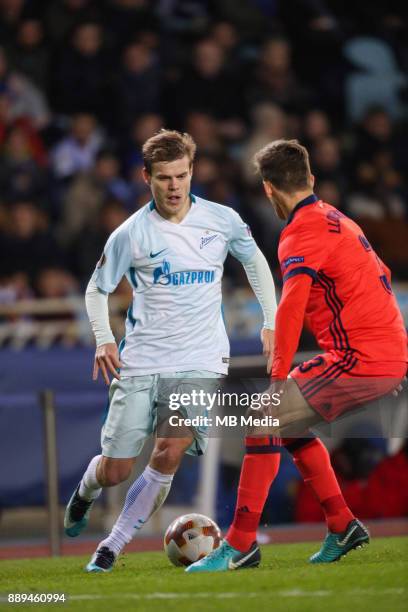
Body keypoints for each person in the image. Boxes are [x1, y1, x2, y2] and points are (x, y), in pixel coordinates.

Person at [187, 139, 407, 573]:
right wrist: (393, 357)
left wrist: (277, 374)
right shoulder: (341, 221)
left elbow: (291, 306)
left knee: (261, 419)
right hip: (381, 352)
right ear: (310, 179)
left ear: (268, 189)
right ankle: (342, 524)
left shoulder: (300, 231)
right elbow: (380, 278)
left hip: (361, 356)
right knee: (287, 425)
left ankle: (241, 543)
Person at [63, 129, 277, 572]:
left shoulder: (221, 220)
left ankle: (112, 545)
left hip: (200, 359)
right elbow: (96, 289)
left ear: (192, 171)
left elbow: (256, 262)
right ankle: (86, 490)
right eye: (164, 178)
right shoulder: (131, 234)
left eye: (182, 175)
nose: (175, 186)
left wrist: (271, 321)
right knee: (117, 469)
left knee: (169, 451)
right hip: (142, 358)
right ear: (147, 178)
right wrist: (104, 338)